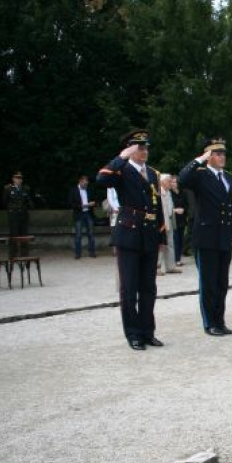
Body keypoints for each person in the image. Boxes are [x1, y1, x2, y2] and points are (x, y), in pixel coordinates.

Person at [96, 129, 167, 350]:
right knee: (129, 288)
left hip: (149, 235)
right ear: (129, 149)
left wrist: (162, 235)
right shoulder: (121, 170)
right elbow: (101, 178)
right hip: (129, 234)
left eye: (146, 147)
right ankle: (133, 334)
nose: (144, 151)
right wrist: (122, 157)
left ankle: (147, 332)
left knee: (148, 287)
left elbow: (157, 206)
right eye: (139, 147)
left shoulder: (153, 173)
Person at [178, 137, 232, 337]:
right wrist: (199, 160)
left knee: (222, 283)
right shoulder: (200, 175)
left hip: (223, 236)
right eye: (217, 154)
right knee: (209, 283)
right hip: (206, 236)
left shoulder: (228, 177)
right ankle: (210, 323)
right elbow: (182, 179)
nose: (222, 157)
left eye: (223, 154)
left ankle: (220, 320)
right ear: (208, 156)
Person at [68, 175, 97, 259]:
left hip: (88, 213)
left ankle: (92, 252)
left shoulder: (89, 190)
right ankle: (77, 253)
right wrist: (83, 205)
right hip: (79, 214)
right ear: (80, 181)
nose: (86, 185)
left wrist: (93, 203)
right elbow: (70, 204)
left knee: (91, 234)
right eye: (84, 183)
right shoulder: (74, 190)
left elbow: (93, 200)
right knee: (78, 235)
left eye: (87, 183)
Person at [158, 174, 181, 275]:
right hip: (162, 222)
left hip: (170, 220)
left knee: (170, 244)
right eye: (169, 181)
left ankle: (170, 266)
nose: (171, 183)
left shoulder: (168, 192)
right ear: (162, 182)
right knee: (160, 245)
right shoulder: (158, 192)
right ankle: (157, 267)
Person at [4, 172, 33, 239]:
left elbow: (28, 200)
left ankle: (24, 245)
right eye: (17, 178)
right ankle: (13, 245)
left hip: (23, 213)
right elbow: (5, 201)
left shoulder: (26, 188)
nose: (19, 180)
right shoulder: (8, 189)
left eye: (20, 178)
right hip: (13, 213)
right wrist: (11, 208)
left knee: (24, 233)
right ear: (13, 179)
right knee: (14, 233)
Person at [170, 176, 187, 266]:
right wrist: (175, 210)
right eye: (172, 182)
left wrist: (184, 209)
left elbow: (186, 204)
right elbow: (166, 206)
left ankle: (178, 258)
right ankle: (175, 259)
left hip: (182, 219)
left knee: (181, 239)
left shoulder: (182, 193)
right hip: (173, 219)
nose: (174, 184)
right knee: (175, 239)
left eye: (175, 182)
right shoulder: (169, 193)